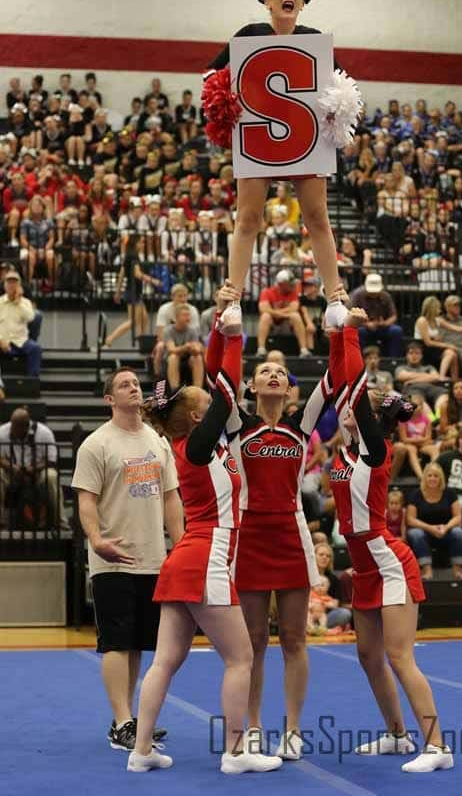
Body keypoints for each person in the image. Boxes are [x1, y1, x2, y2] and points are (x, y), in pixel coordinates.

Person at [129, 290, 282, 775]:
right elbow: (229, 390)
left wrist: (220, 323)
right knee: (241, 658)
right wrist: (232, 334)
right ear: (198, 419)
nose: (210, 401)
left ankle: (141, 750)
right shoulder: (195, 447)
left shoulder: (193, 447)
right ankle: (236, 752)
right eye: (203, 402)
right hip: (208, 556)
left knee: (166, 661)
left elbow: (220, 389)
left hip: (187, 559)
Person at [205, 288, 335, 761]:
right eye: (265, 372)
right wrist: (228, 323)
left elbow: (335, 380)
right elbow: (218, 377)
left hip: (291, 536)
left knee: (295, 639)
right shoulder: (239, 426)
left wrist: (340, 325)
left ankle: (295, 730)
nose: (275, 374)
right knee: (255, 642)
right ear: (254, 387)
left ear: (290, 387)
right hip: (251, 537)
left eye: (281, 371)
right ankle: (255, 725)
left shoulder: (302, 428)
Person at [327, 305, 453, 773]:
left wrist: (353, 331)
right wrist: (337, 332)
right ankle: (398, 736)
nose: (349, 412)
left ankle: (437, 746)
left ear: (372, 417)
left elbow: (355, 386)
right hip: (363, 567)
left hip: (388, 561)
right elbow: (345, 383)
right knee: (367, 656)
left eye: (360, 409)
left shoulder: (377, 450)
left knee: (400, 657)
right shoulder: (349, 444)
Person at [206, 0, 348, 336]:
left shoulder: (315, 41)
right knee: (248, 217)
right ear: (267, 1)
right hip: (259, 136)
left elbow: (338, 87)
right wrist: (224, 100)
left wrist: (336, 111)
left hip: (304, 137)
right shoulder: (248, 34)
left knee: (317, 216)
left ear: (301, 3)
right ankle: (233, 297)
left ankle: (335, 298)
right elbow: (212, 76)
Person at [71, 367, 184, 751]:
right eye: (124, 385)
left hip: (153, 556)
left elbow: (171, 497)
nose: (133, 388)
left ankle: (129, 719)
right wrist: (96, 539)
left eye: (136, 383)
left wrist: (181, 544)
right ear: (109, 399)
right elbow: (85, 499)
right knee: (116, 642)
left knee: (137, 643)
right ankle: (121, 721)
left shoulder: (157, 440)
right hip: (113, 557)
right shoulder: (97, 444)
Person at [0, 407, 64, 529]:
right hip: (12, 471)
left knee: (51, 476)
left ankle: (60, 522)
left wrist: (34, 468)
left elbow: (51, 459)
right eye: (12, 427)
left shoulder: (44, 432)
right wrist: (12, 467)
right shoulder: (2, 432)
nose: (13, 431)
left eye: (17, 429)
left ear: (26, 427)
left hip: (37, 471)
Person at [406, 463, 462, 581]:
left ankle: (457, 570)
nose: (432, 479)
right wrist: (430, 528)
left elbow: (458, 516)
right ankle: (427, 569)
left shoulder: (449, 493)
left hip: (445, 530)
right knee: (415, 533)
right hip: (424, 531)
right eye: (429, 475)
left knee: (458, 532)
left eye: (436, 476)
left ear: (441, 478)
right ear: (425, 477)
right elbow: (410, 519)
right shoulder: (416, 494)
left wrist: (446, 527)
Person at [104, 233, 162, 348]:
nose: (143, 244)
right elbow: (137, 274)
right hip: (133, 291)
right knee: (133, 321)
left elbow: (121, 274)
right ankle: (110, 339)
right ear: (135, 243)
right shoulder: (134, 257)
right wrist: (153, 280)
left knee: (144, 318)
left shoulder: (128, 255)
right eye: (141, 242)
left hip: (132, 291)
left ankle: (141, 341)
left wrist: (118, 292)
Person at [256, 269, 311, 357]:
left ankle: (303, 349)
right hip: (272, 323)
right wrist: (283, 313)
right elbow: (263, 309)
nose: (293, 285)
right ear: (281, 284)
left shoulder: (293, 292)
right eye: (290, 283)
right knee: (265, 316)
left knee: (295, 316)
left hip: (287, 323)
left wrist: (276, 313)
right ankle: (261, 349)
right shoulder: (267, 292)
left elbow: (294, 308)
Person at [153, 283, 201, 376]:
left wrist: (189, 346)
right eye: (180, 296)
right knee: (160, 347)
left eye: (185, 296)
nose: (183, 299)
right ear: (172, 296)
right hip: (168, 340)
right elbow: (160, 334)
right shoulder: (164, 309)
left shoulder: (193, 310)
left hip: (188, 341)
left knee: (198, 353)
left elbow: (195, 334)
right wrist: (173, 345)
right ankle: (157, 376)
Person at [0, 269, 42, 377]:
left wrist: (18, 303)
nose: (11, 285)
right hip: (3, 340)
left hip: (20, 341)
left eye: (14, 282)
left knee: (36, 349)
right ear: (4, 285)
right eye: (9, 282)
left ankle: (32, 382)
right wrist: (0, 340)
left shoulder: (26, 303)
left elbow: (31, 318)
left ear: (19, 285)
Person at [350, 273, 403, 356]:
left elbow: (393, 316)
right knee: (359, 332)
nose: (373, 294)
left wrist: (385, 323)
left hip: (382, 327)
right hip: (363, 327)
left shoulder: (386, 296)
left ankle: (393, 360)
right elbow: (350, 315)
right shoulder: (357, 296)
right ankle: (359, 359)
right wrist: (366, 324)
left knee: (396, 331)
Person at [393, 341, 447, 411]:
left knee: (445, 396)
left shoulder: (429, 367)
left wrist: (412, 380)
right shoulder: (401, 368)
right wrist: (427, 376)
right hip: (414, 390)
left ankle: (439, 417)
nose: (414, 356)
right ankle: (433, 420)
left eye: (417, 353)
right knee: (418, 402)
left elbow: (436, 377)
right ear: (407, 355)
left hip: (431, 388)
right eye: (411, 353)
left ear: (421, 356)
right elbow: (402, 376)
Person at [162, 304, 204, 391]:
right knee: (173, 357)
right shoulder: (168, 330)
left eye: (189, 315)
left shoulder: (193, 330)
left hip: (188, 358)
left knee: (198, 358)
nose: (188, 317)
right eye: (185, 315)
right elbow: (171, 349)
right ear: (177, 317)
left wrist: (196, 349)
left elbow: (196, 349)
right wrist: (185, 347)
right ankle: (175, 390)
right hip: (172, 358)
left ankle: (198, 390)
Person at [313, 541, 352, 630]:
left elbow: (336, 603)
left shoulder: (333, 579)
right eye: (321, 554)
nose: (325, 558)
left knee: (344, 614)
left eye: (328, 556)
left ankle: (318, 629)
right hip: (307, 614)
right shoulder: (305, 576)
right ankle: (313, 627)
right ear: (313, 556)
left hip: (325, 616)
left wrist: (324, 604)